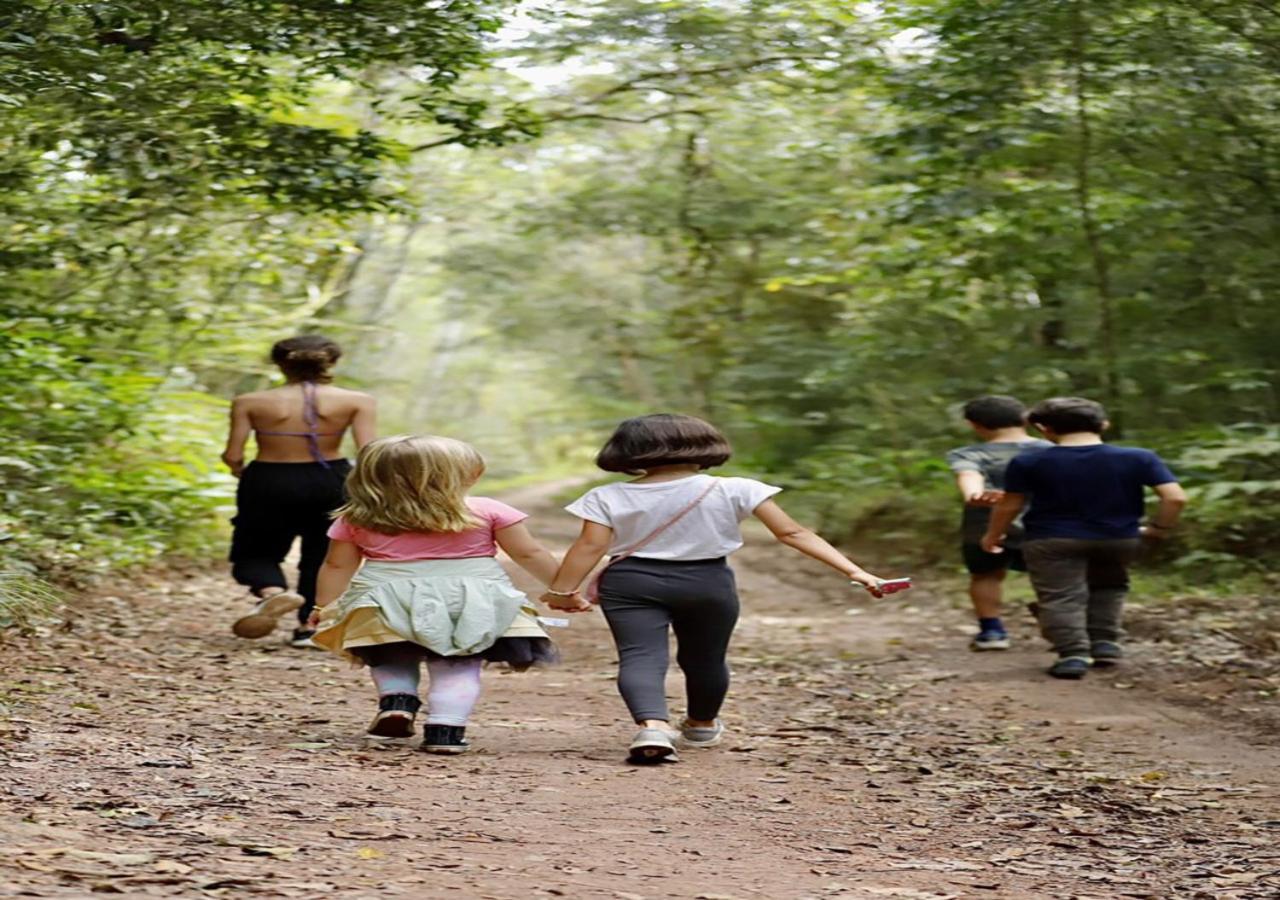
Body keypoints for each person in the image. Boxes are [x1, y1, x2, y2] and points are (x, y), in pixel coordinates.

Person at [539, 413, 906, 764]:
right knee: (705, 658)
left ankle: (652, 727)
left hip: (632, 581)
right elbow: (793, 533)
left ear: (626, 449)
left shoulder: (608, 495)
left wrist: (563, 591)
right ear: (703, 444)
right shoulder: (737, 489)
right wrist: (857, 572)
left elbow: (590, 547)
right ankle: (701, 726)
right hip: (708, 581)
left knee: (641, 656)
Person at [308, 435, 562, 754]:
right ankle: (446, 729)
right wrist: (563, 589)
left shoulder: (359, 516)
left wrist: (324, 606)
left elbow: (336, 566)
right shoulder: (488, 510)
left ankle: (396, 702)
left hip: (386, 600)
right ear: (454, 477)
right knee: (458, 664)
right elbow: (529, 554)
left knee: (389, 654)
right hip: (469, 602)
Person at [980, 397, 1187, 680]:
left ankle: (1073, 654)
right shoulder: (1139, 457)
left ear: (1044, 428)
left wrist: (994, 534)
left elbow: (1010, 505)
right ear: (1104, 424)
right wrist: (1159, 529)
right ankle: (1104, 643)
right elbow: (1175, 498)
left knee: (1061, 596)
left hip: (1051, 540)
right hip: (1118, 538)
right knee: (1109, 588)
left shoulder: (1029, 461)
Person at [222, 335, 377, 647]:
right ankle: (310, 625)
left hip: (268, 478)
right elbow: (368, 451)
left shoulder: (249, 402)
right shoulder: (358, 401)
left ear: (280, 364)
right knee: (324, 554)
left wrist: (241, 471)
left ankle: (273, 592)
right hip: (332, 478)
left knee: (256, 545)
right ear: (331, 363)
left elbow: (233, 454)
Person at [945, 396, 1051, 651]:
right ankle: (1061, 626)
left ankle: (992, 632)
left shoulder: (969, 453)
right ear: (1025, 418)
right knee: (1053, 576)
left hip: (985, 522)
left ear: (974, 424)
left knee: (985, 575)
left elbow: (968, 475)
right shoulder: (1052, 450)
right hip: (1045, 522)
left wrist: (974, 495)